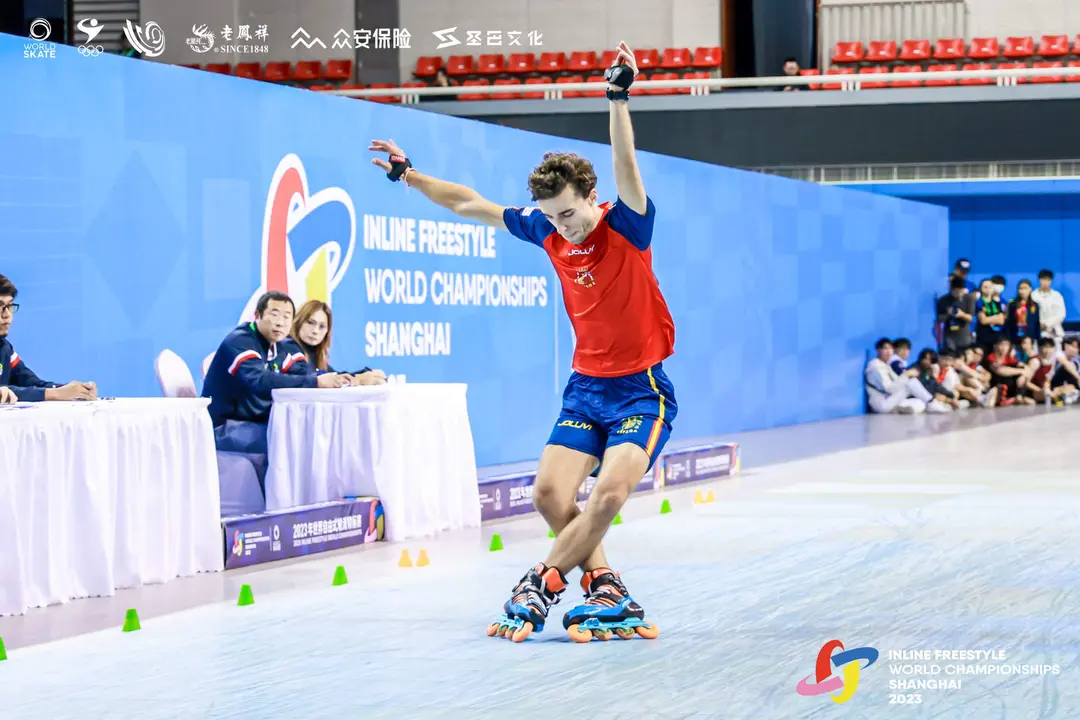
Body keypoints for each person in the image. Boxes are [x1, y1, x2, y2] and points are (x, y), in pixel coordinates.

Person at [369, 42, 671, 643]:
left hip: (641, 389)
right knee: (549, 494)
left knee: (609, 493)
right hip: (586, 388)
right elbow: (468, 202)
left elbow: (626, 165)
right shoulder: (546, 231)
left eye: (569, 213)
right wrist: (411, 176)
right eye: (552, 216)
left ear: (591, 198)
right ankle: (608, 589)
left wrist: (616, 98)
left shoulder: (627, 224)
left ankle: (541, 582)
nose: (563, 226)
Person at [202, 291, 350, 454]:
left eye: (286, 317)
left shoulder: (278, 346)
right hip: (224, 426)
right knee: (291, 441)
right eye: (274, 315)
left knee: (310, 434)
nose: (280, 323)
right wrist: (316, 382)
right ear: (257, 315)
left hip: (256, 421)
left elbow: (303, 374)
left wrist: (351, 379)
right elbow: (259, 381)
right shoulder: (240, 341)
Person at [0, 273, 97, 402]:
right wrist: (55, 394)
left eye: (10, 306)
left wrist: (71, 390)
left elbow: (30, 382)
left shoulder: (4, 348)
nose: (6, 314)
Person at [290, 299, 388, 386]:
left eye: (322, 326)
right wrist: (358, 379)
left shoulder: (316, 355)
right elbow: (309, 379)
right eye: (310, 323)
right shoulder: (288, 347)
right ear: (298, 321)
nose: (315, 331)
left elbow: (333, 375)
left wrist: (365, 374)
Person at [864, 338, 927, 413]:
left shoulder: (886, 365)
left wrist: (906, 377)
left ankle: (898, 410)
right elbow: (889, 389)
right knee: (911, 383)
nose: (889, 351)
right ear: (878, 350)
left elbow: (896, 382)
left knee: (920, 402)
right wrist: (906, 375)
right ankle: (932, 403)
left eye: (891, 349)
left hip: (890, 400)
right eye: (885, 348)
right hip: (881, 403)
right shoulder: (875, 365)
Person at [937, 275, 976, 354]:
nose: (959, 293)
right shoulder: (943, 300)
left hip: (964, 335)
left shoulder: (969, 299)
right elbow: (939, 318)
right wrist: (949, 314)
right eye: (957, 291)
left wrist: (962, 315)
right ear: (952, 289)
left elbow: (971, 318)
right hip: (950, 335)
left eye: (961, 291)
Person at [1033, 269, 1066, 350]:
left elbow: (1061, 314)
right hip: (1038, 333)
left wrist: (1047, 324)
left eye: (1048, 280)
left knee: (1057, 354)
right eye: (1043, 279)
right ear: (1039, 280)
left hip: (1055, 333)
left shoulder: (1057, 296)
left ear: (1051, 281)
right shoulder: (1033, 296)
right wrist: (1040, 324)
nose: (1045, 282)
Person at [1004, 279, 1041, 345]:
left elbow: (1037, 324)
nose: (1022, 291)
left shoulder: (1034, 305)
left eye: (1025, 288)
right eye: (1020, 288)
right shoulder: (1012, 305)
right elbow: (1008, 323)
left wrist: (1038, 340)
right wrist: (1009, 340)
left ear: (1030, 289)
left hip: (1030, 339)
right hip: (1015, 338)